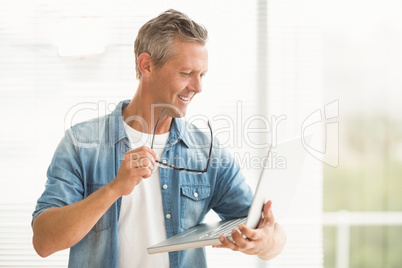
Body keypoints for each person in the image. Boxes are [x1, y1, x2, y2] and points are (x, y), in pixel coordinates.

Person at [32, 9, 286, 268]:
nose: (198, 87)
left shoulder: (207, 152)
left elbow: (269, 231)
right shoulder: (81, 143)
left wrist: (263, 241)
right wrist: (113, 189)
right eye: (187, 73)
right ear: (147, 65)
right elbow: (43, 242)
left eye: (202, 75)